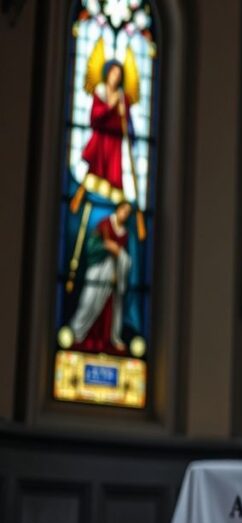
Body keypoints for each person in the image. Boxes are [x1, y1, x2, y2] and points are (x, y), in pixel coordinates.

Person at [68, 201, 133, 354]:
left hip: (113, 276)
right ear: (118, 209)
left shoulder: (125, 233)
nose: (125, 214)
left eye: (128, 213)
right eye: (124, 210)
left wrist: (120, 255)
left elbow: (126, 258)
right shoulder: (103, 224)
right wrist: (105, 246)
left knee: (112, 307)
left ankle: (111, 338)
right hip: (97, 272)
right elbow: (91, 247)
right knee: (89, 301)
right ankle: (77, 332)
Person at [81, 60, 132, 198]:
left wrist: (124, 114)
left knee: (113, 182)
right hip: (100, 141)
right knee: (94, 177)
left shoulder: (123, 98)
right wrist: (109, 107)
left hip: (115, 144)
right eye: (114, 73)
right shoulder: (100, 93)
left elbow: (129, 128)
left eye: (119, 74)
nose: (116, 77)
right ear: (107, 73)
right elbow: (94, 117)